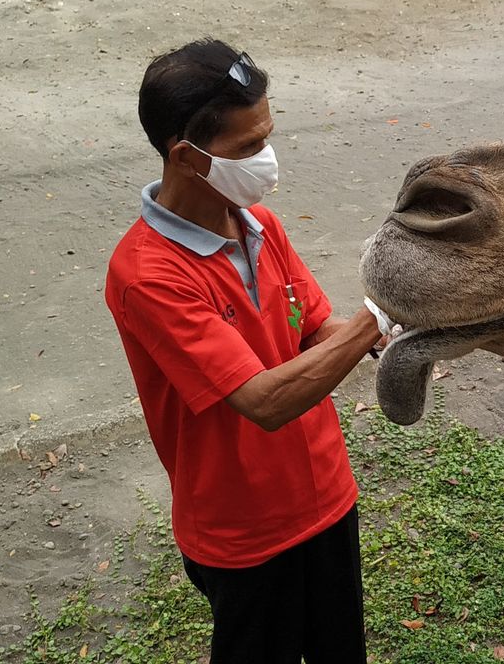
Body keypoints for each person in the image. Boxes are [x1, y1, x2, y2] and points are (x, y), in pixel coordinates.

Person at [105, 38, 392, 663]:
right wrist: (380, 315)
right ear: (187, 157)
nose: (267, 158)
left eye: (267, 135)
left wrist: (400, 333)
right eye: (248, 147)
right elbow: (262, 400)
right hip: (245, 531)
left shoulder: (260, 224)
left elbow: (314, 330)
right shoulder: (148, 275)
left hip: (326, 496)